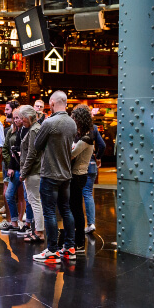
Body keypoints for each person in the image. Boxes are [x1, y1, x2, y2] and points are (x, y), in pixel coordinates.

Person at [23, 91, 76, 264]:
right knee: (66, 210)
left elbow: (37, 145)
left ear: (52, 103)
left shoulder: (50, 122)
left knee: (49, 212)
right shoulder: (71, 123)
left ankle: (52, 251)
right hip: (66, 174)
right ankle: (70, 248)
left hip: (50, 173)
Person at [69, 105, 95, 250]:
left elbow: (71, 155)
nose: (72, 121)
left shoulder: (86, 138)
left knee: (76, 209)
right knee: (75, 208)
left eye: (74, 118)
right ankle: (77, 241)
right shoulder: (85, 136)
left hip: (78, 175)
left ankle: (79, 243)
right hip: (79, 175)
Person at [18, 105, 44, 243]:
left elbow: (31, 154)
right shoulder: (36, 128)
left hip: (33, 172)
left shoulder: (34, 130)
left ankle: (39, 232)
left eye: (22, 118)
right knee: (35, 201)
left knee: (35, 202)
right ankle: (37, 231)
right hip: (34, 171)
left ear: (28, 117)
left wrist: (23, 172)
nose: (21, 121)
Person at [82, 108, 106, 234]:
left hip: (79, 165)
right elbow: (102, 145)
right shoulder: (94, 128)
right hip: (91, 164)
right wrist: (98, 157)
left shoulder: (76, 128)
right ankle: (91, 223)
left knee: (76, 195)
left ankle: (78, 223)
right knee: (88, 193)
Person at [0, 105, 23, 233]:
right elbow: (6, 148)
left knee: (23, 197)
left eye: (17, 118)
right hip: (13, 167)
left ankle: (22, 222)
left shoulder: (27, 130)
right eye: (14, 118)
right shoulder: (11, 131)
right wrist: (11, 165)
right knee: (8, 194)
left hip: (24, 168)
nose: (15, 120)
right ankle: (13, 221)